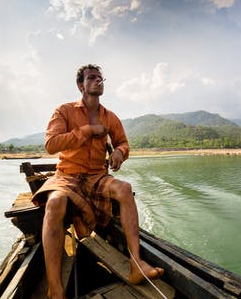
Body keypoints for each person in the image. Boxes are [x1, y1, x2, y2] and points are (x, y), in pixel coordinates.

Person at [32, 64, 164, 299]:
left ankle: (136, 264)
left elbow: (123, 143)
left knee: (124, 189)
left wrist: (119, 153)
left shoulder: (110, 117)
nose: (98, 81)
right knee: (55, 204)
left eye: (101, 79)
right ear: (81, 85)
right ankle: (55, 288)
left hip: (96, 177)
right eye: (92, 78)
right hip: (67, 176)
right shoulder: (63, 111)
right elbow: (51, 145)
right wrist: (87, 130)